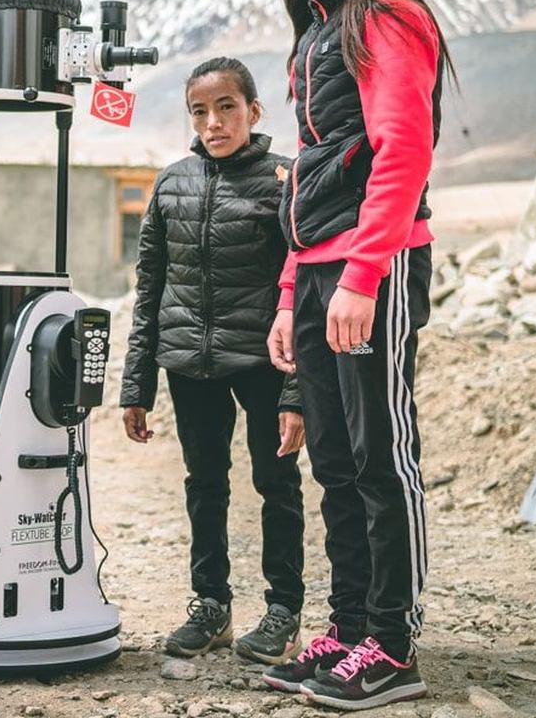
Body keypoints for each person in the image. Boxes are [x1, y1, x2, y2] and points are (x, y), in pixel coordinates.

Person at [257, 0, 454, 710]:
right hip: (323, 271)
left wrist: (363, 275)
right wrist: (293, 286)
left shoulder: (384, 14)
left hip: (375, 265)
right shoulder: (317, 30)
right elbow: (315, 171)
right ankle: (346, 629)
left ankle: (393, 644)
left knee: (381, 457)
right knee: (335, 462)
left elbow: (402, 151)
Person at [120, 57, 306, 665]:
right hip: (187, 363)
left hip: (261, 361)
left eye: (227, 107)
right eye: (200, 111)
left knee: (275, 483)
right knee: (204, 484)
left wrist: (296, 392)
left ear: (254, 111)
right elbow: (149, 287)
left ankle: (283, 609)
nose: (214, 121)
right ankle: (212, 606)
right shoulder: (171, 183)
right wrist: (136, 385)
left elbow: (302, 287)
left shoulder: (285, 180)